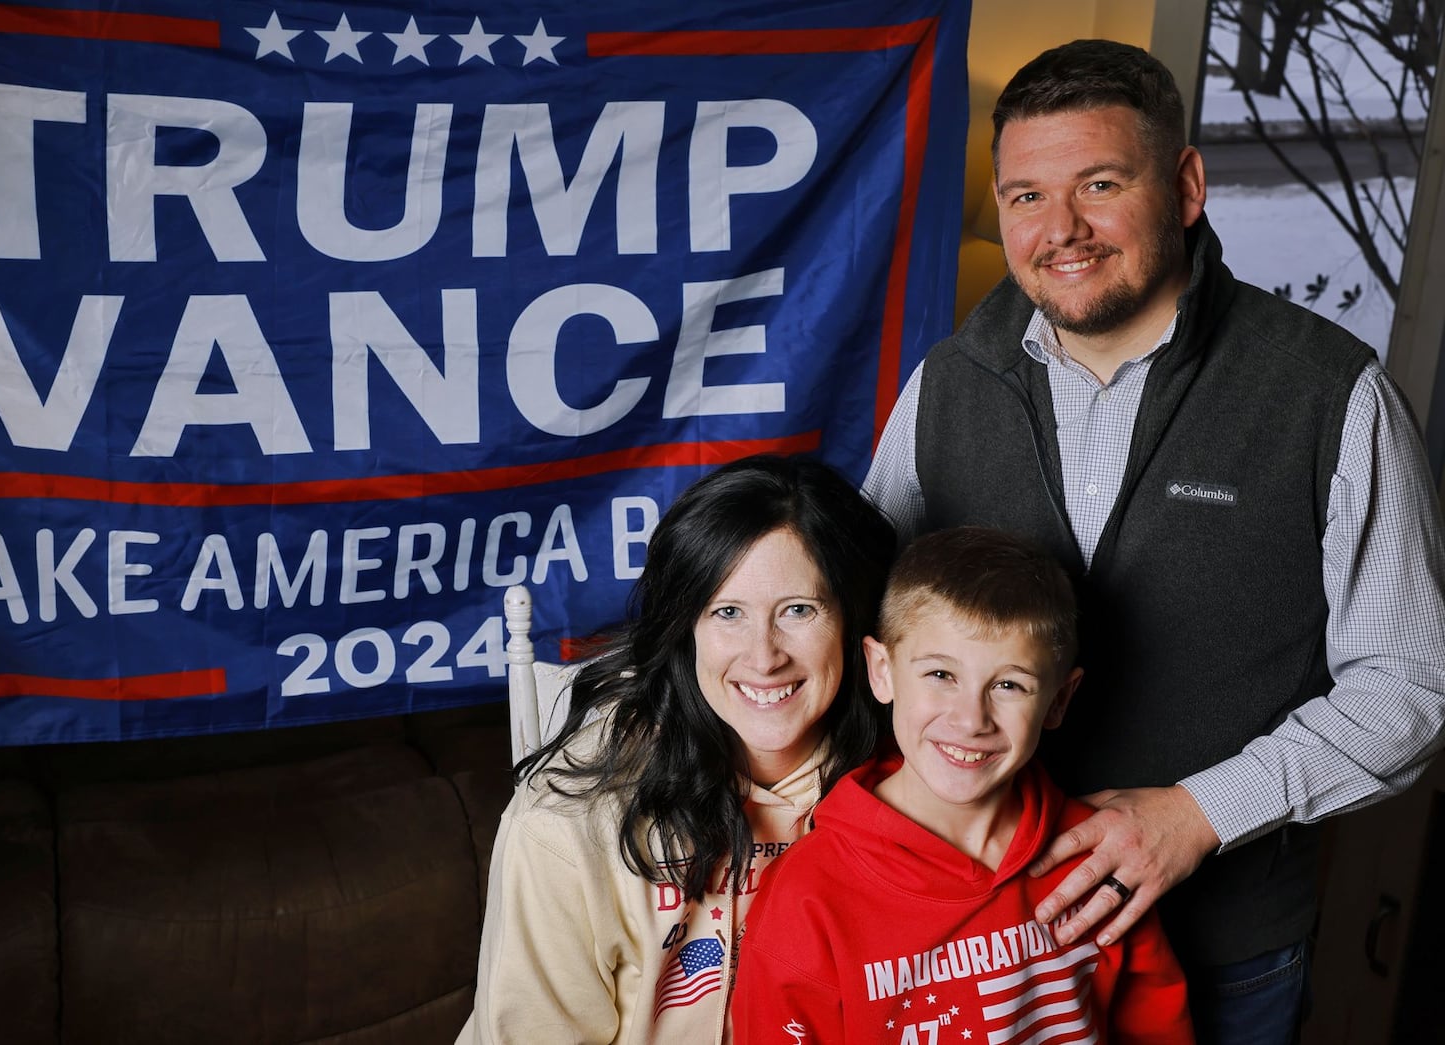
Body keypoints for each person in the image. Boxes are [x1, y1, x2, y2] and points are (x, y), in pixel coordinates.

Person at [862, 38, 1445, 1044]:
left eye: (1098, 183)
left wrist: (1194, 814)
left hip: (1226, 953)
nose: (1061, 230)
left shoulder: (1326, 393)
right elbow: (861, 636)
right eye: (1025, 197)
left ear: (1183, 186)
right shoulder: (946, 388)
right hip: (974, 954)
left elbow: (1410, 680)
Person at [457, 454, 896, 1044]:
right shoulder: (567, 823)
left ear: (852, 622)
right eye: (727, 612)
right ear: (685, 629)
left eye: (799, 610)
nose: (764, 656)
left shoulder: (910, 785)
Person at [732, 526, 1194, 1044]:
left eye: (1009, 685)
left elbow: (1155, 1026)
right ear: (881, 670)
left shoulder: (1101, 858)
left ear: (1060, 700)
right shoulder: (809, 897)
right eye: (940, 676)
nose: (972, 719)